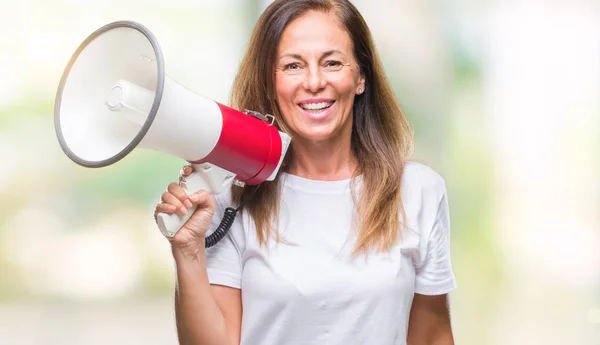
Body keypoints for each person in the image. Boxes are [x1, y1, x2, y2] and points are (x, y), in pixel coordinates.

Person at [153, 1, 456, 344]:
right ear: (271, 81)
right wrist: (188, 251)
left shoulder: (418, 191)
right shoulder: (232, 196)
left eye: (332, 63)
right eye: (293, 65)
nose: (314, 82)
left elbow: (432, 336)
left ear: (360, 78)